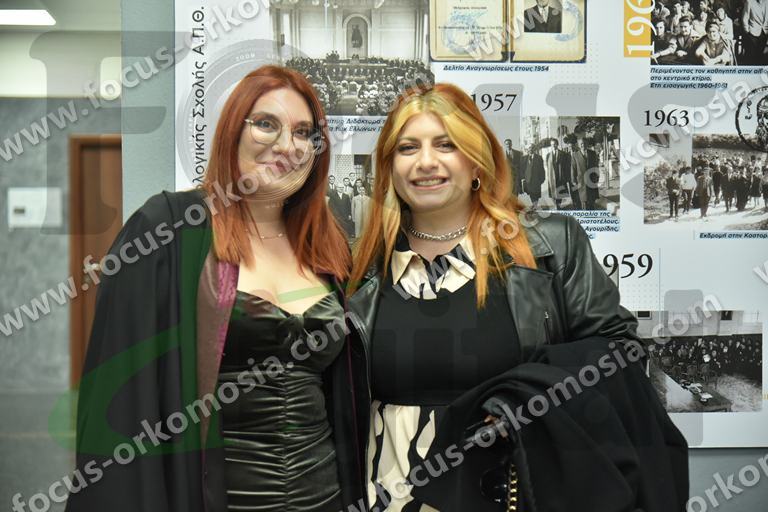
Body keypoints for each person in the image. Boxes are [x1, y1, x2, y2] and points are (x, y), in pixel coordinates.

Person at [346, 82, 688, 512]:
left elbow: (620, 352)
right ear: (389, 168)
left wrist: (525, 402)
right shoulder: (361, 268)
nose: (426, 162)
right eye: (407, 148)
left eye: (446, 144)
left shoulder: (550, 245)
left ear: (476, 162)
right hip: (388, 497)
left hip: (516, 493)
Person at [64, 65, 365, 512]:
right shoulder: (168, 229)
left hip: (326, 499)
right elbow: (120, 402)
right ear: (232, 132)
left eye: (303, 132)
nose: (287, 145)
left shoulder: (326, 246)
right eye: (267, 124)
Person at [570, 137, 600, 210]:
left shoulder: (592, 153)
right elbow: (573, 168)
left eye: (584, 143)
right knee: (583, 200)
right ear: (579, 145)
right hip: (581, 181)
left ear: (587, 144)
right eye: (581, 144)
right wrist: (573, 180)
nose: (583, 145)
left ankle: (592, 213)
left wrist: (597, 177)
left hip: (591, 180)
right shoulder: (575, 155)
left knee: (592, 199)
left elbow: (596, 166)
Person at [545, 138, 571, 208]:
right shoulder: (548, 155)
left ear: (557, 144)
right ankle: (556, 205)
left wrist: (566, 176)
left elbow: (566, 166)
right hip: (552, 177)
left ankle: (558, 205)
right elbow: (547, 167)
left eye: (554, 144)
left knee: (560, 192)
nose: (553, 146)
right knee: (553, 192)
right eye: (552, 145)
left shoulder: (563, 154)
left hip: (560, 176)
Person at [742, 0, 768, 65]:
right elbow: (745, 17)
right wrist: (747, 31)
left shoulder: (767, 2)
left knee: (761, 56)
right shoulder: (749, 2)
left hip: (764, 32)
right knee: (752, 57)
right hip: (752, 33)